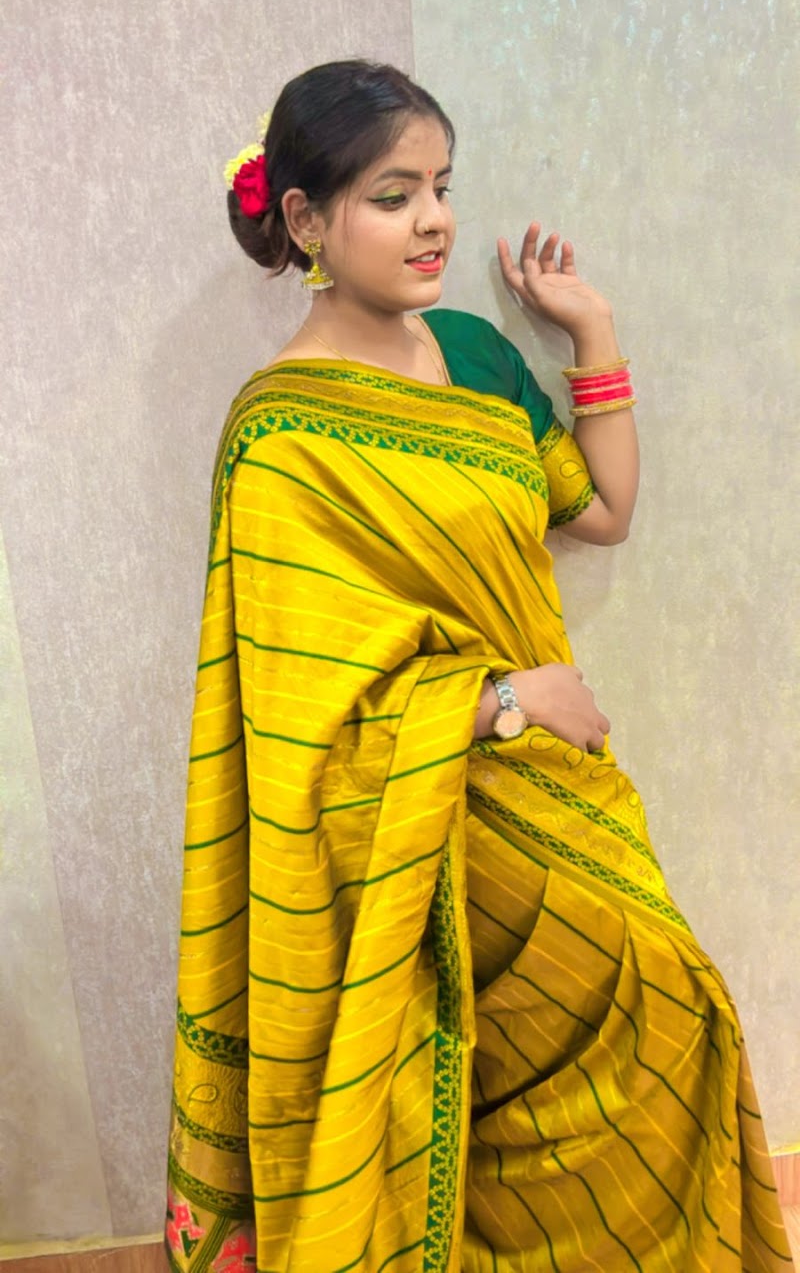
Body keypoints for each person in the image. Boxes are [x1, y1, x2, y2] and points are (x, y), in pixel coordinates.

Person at [165, 61, 790, 1273]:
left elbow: (600, 511)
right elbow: (297, 719)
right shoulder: (280, 436)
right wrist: (504, 699)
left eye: (440, 187)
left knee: (665, 1011)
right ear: (303, 218)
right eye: (391, 195)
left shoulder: (470, 353)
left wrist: (590, 332)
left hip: (551, 795)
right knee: (484, 1100)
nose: (433, 220)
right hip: (419, 822)